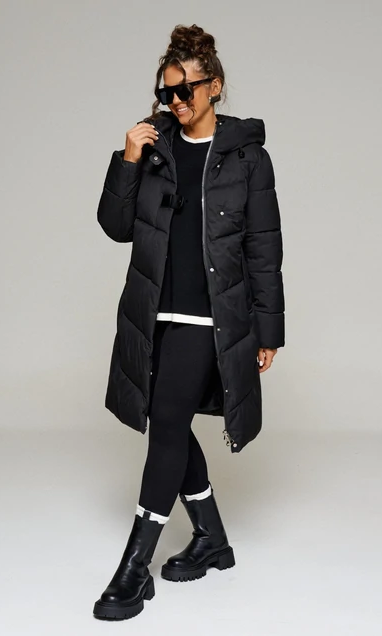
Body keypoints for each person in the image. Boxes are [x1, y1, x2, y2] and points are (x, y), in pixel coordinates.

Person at [93, 23, 285, 621]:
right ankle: (211, 539)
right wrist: (128, 159)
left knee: (168, 424)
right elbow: (115, 226)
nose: (176, 102)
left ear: (214, 86)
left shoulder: (248, 159)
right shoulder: (155, 150)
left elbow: (263, 248)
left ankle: (135, 568)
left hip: (212, 317)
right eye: (166, 92)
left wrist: (269, 329)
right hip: (155, 311)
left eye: (186, 90)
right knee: (168, 421)